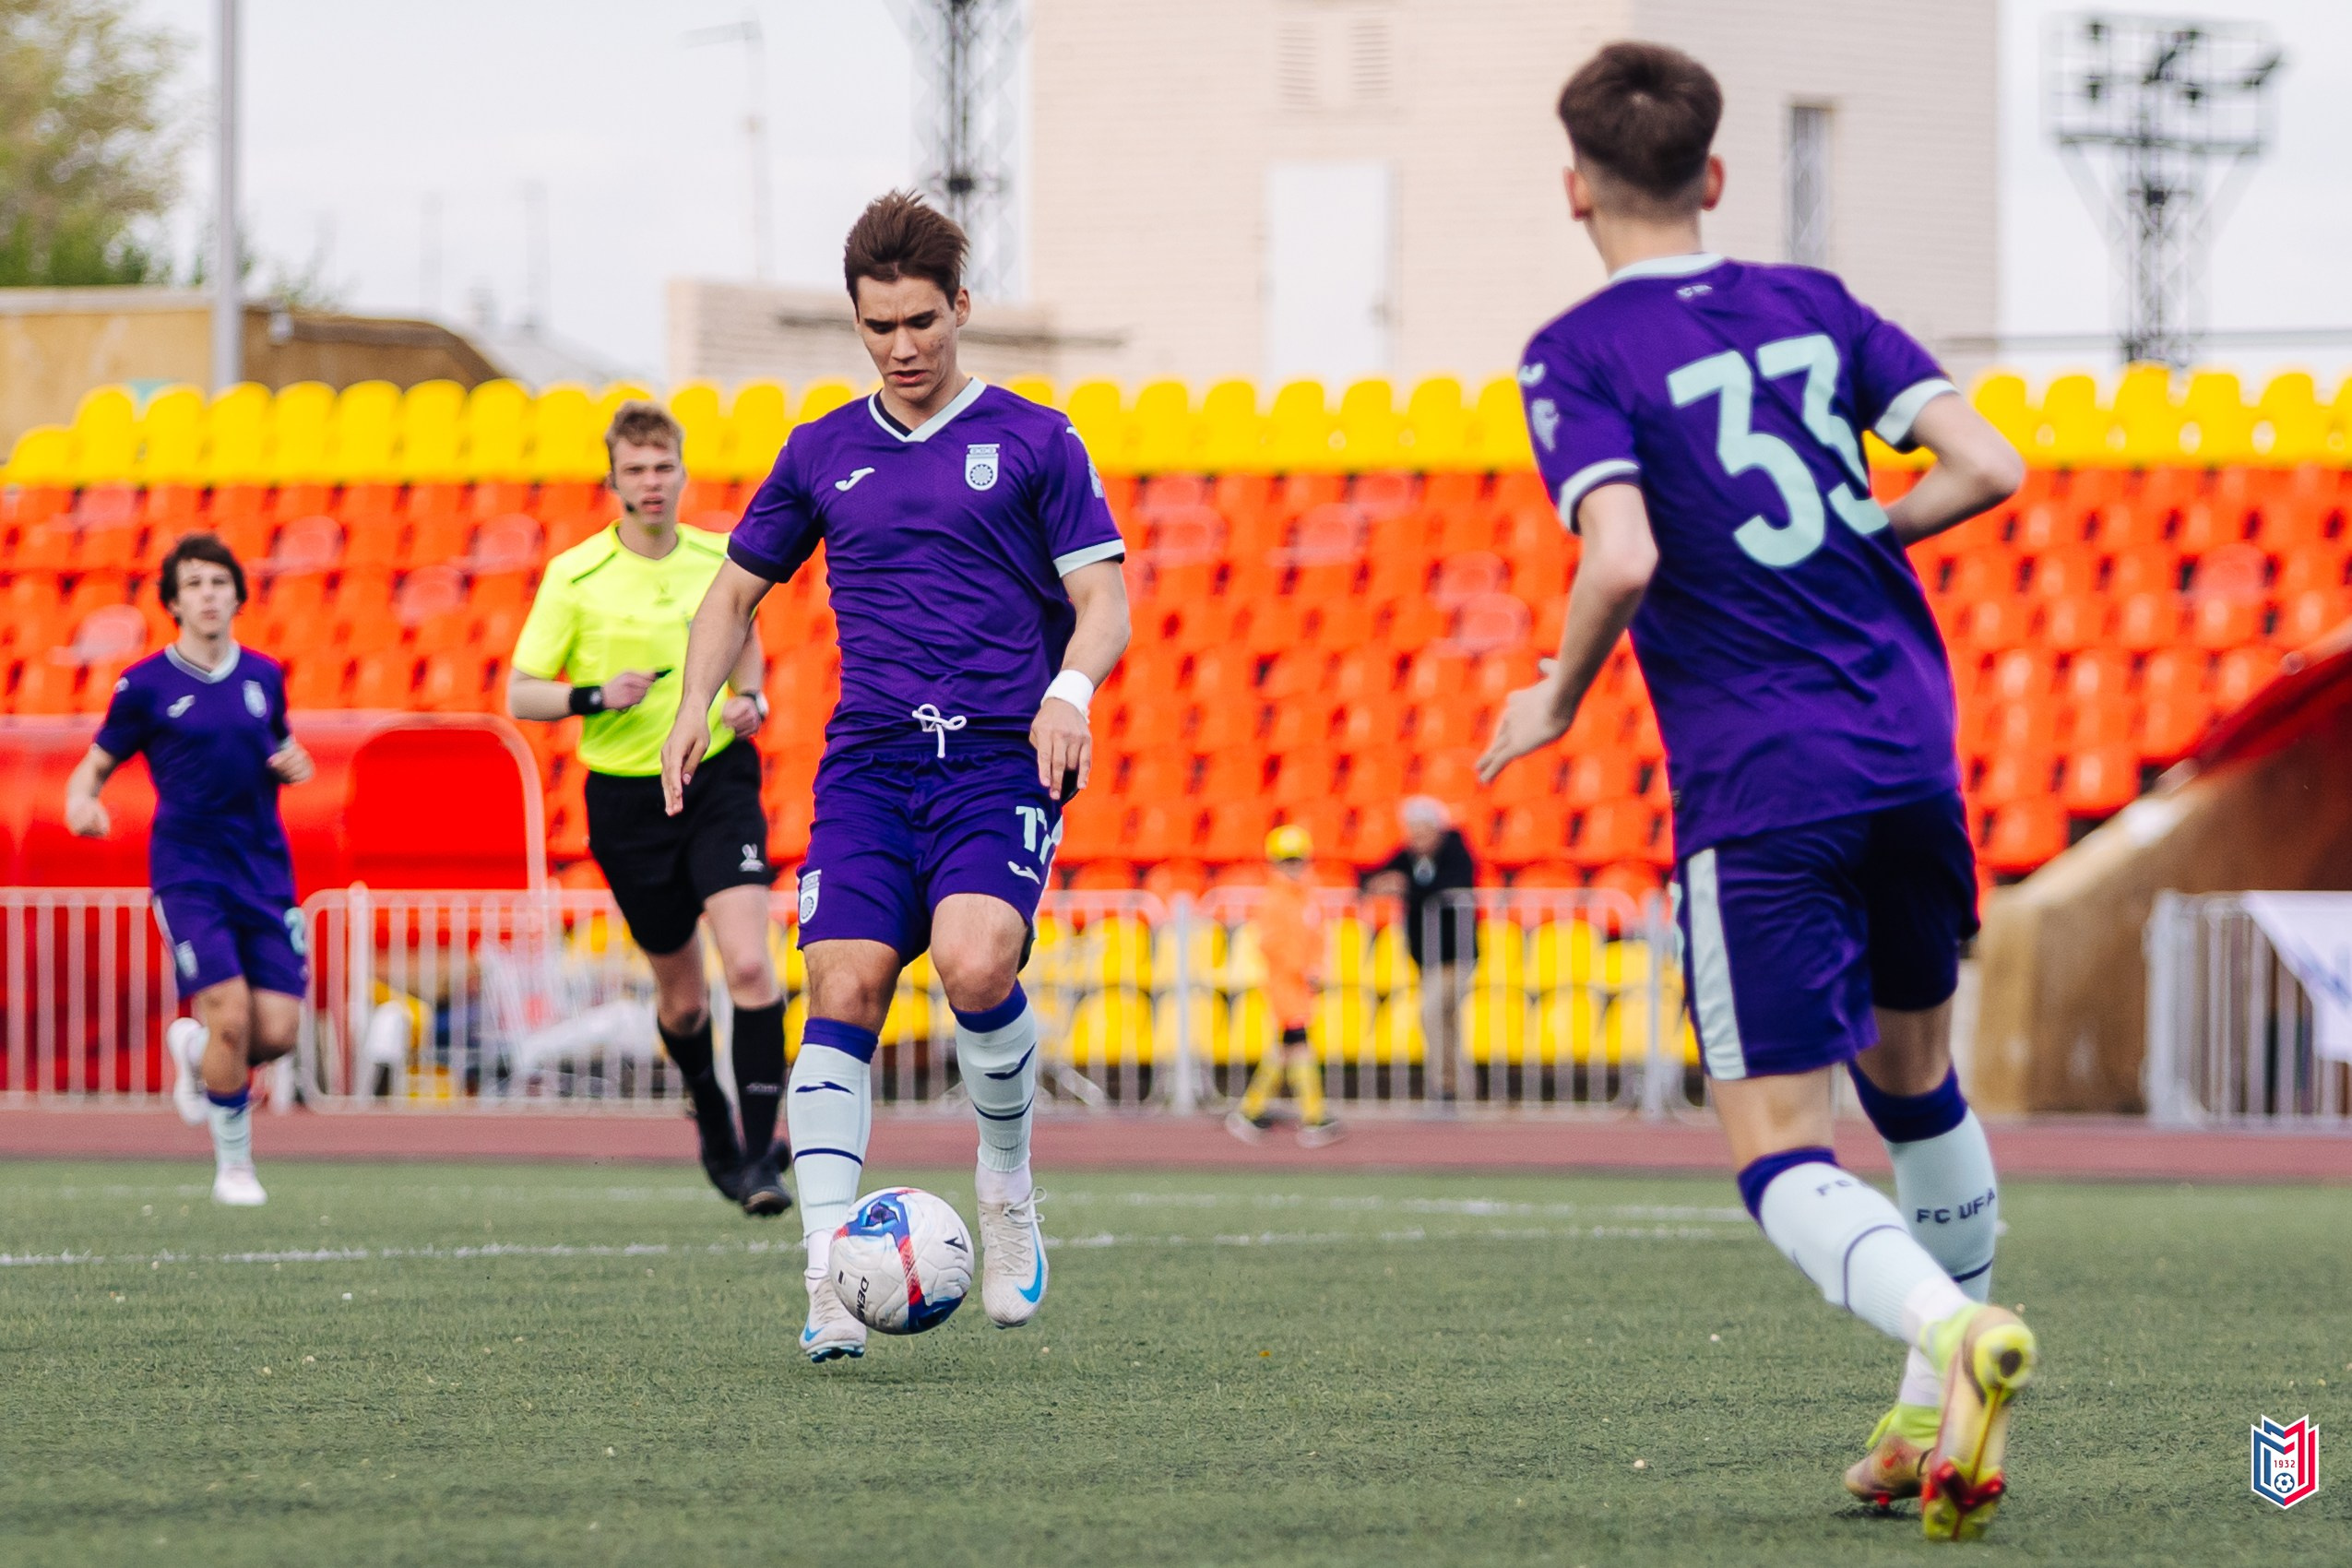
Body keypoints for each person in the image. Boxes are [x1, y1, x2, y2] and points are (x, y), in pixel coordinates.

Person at [1477, 42, 2033, 1540]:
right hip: (1910, 747)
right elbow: (1990, 466)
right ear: (1715, 177)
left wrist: (1554, 696)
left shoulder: (1573, 352)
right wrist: (1873, 534)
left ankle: (1953, 1339)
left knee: (1780, 1144)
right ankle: (1927, 1428)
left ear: (1576, 187)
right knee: (1915, 1086)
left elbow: (1629, 556)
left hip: (1765, 778)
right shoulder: (1818, 305)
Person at [660, 191, 1131, 1363]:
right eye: (879, 327)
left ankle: (1007, 1179)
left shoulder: (1034, 438)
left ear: (961, 308)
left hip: (994, 754)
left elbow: (1104, 599)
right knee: (844, 986)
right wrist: (691, 702)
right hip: (870, 760)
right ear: (858, 323)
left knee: (978, 959)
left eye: (922, 320)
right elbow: (732, 591)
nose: (903, 347)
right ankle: (827, 1278)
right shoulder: (822, 450)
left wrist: (1070, 691)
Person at [507, 401, 792, 1217]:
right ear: (613, 481)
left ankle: (763, 1154)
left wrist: (752, 702)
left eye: (663, 466)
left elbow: (747, 650)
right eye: (635, 469)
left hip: (717, 782)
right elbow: (522, 692)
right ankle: (712, 1116)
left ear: (682, 472)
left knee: (747, 963)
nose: (651, 482)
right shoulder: (576, 574)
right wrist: (595, 694)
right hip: (627, 799)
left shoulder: (718, 558)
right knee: (684, 997)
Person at [64, 534, 313, 1207]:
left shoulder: (264, 675)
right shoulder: (145, 685)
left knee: (277, 1033)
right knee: (231, 1015)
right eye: (194, 583)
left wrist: (298, 762)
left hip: (263, 869)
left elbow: (282, 746)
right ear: (174, 600)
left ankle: (195, 1050)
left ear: (237, 593)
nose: (208, 593)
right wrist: (81, 803)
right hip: (189, 870)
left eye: (218, 581)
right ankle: (235, 1166)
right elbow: (93, 766)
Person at [1226, 825, 1341, 1147]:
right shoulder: (1275, 900)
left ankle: (1250, 1111)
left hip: (1300, 984)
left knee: (1285, 1049)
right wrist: (1305, 969)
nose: (1294, 866)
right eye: (1287, 860)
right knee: (1298, 1043)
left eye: (1297, 859)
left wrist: (1316, 968)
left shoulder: (1305, 897)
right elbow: (1273, 945)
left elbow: (1316, 938)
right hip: (1284, 984)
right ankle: (1314, 1115)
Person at [1362, 796, 1479, 1107]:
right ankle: (1459, 1086)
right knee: (1446, 1019)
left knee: (1433, 1012)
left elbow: (1452, 885)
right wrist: (1383, 882)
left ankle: (1445, 1084)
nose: (1416, 837)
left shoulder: (1455, 851)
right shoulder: (1408, 856)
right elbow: (1373, 875)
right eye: (1411, 831)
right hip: (1425, 956)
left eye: (1422, 831)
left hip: (1455, 954)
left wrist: (1406, 888)